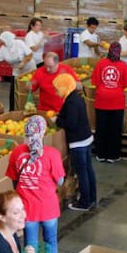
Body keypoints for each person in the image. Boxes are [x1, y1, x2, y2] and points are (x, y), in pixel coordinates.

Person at [5, 116, 65, 253]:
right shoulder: (52, 154)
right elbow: (60, 181)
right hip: (49, 207)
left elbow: (14, 180)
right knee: (50, 242)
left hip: (27, 209)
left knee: (30, 245)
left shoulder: (16, 152)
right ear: (43, 132)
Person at [53, 73, 96, 211]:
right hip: (86, 138)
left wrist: (57, 120)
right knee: (88, 170)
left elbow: (71, 123)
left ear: (64, 87)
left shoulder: (71, 101)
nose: (56, 92)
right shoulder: (76, 97)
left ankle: (84, 202)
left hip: (78, 142)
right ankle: (92, 198)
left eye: (57, 89)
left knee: (82, 172)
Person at [92, 43, 127, 163]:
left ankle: (100, 154)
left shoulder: (100, 64)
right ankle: (113, 155)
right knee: (115, 129)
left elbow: (95, 81)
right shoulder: (123, 66)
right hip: (117, 101)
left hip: (101, 101)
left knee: (101, 128)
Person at [0, 31, 36, 111]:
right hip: (17, 71)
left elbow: (30, 54)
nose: (1, 42)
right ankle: (13, 110)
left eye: (2, 41)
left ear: (8, 40)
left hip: (29, 69)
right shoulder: (3, 49)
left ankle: (28, 109)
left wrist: (23, 62)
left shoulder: (19, 43)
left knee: (28, 90)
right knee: (14, 92)